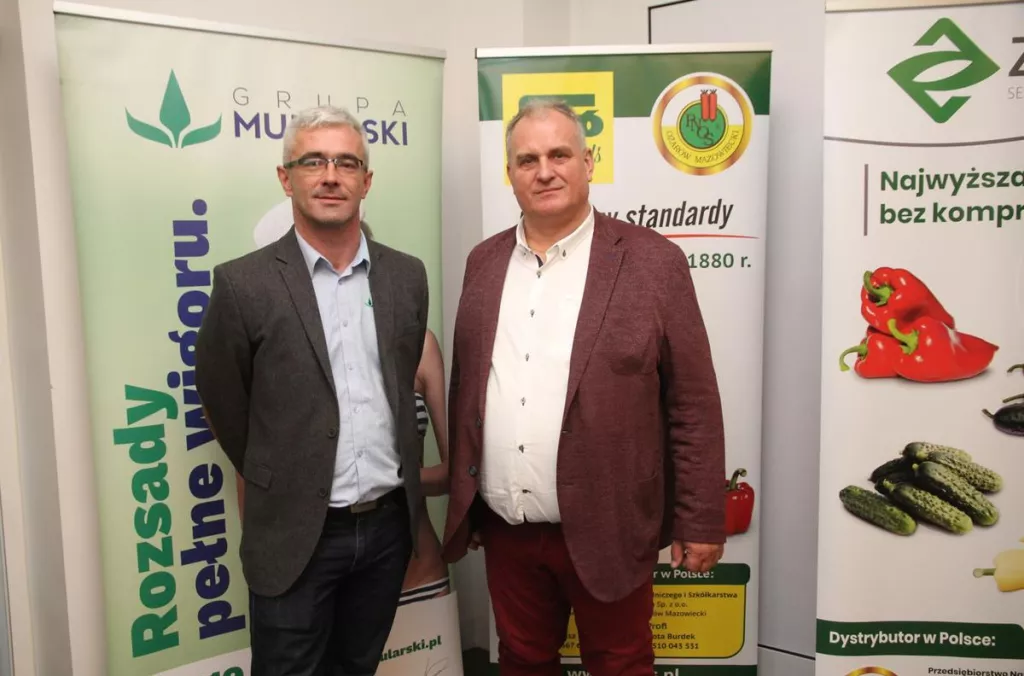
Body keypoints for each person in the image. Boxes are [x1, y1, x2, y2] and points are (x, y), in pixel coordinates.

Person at [441, 99, 727, 676]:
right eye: (527, 160)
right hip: (508, 527)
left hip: (611, 522)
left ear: (588, 162)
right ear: (510, 172)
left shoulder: (653, 261)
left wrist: (700, 519)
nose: (544, 171)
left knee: (620, 664)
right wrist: (466, 501)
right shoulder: (484, 262)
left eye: (559, 155)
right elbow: (468, 386)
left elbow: (692, 403)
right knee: (521, 661)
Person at [195, 104, 429, 676]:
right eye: (313, 162)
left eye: (347, 163)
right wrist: (279, 474)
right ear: (286, 178)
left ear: (366, 181)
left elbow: (400, 387)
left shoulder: (407, 276)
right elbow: (225, 404)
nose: (330, 176)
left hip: (386, 530)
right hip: (295, 533)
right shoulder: (242, 284)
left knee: (357, 667)